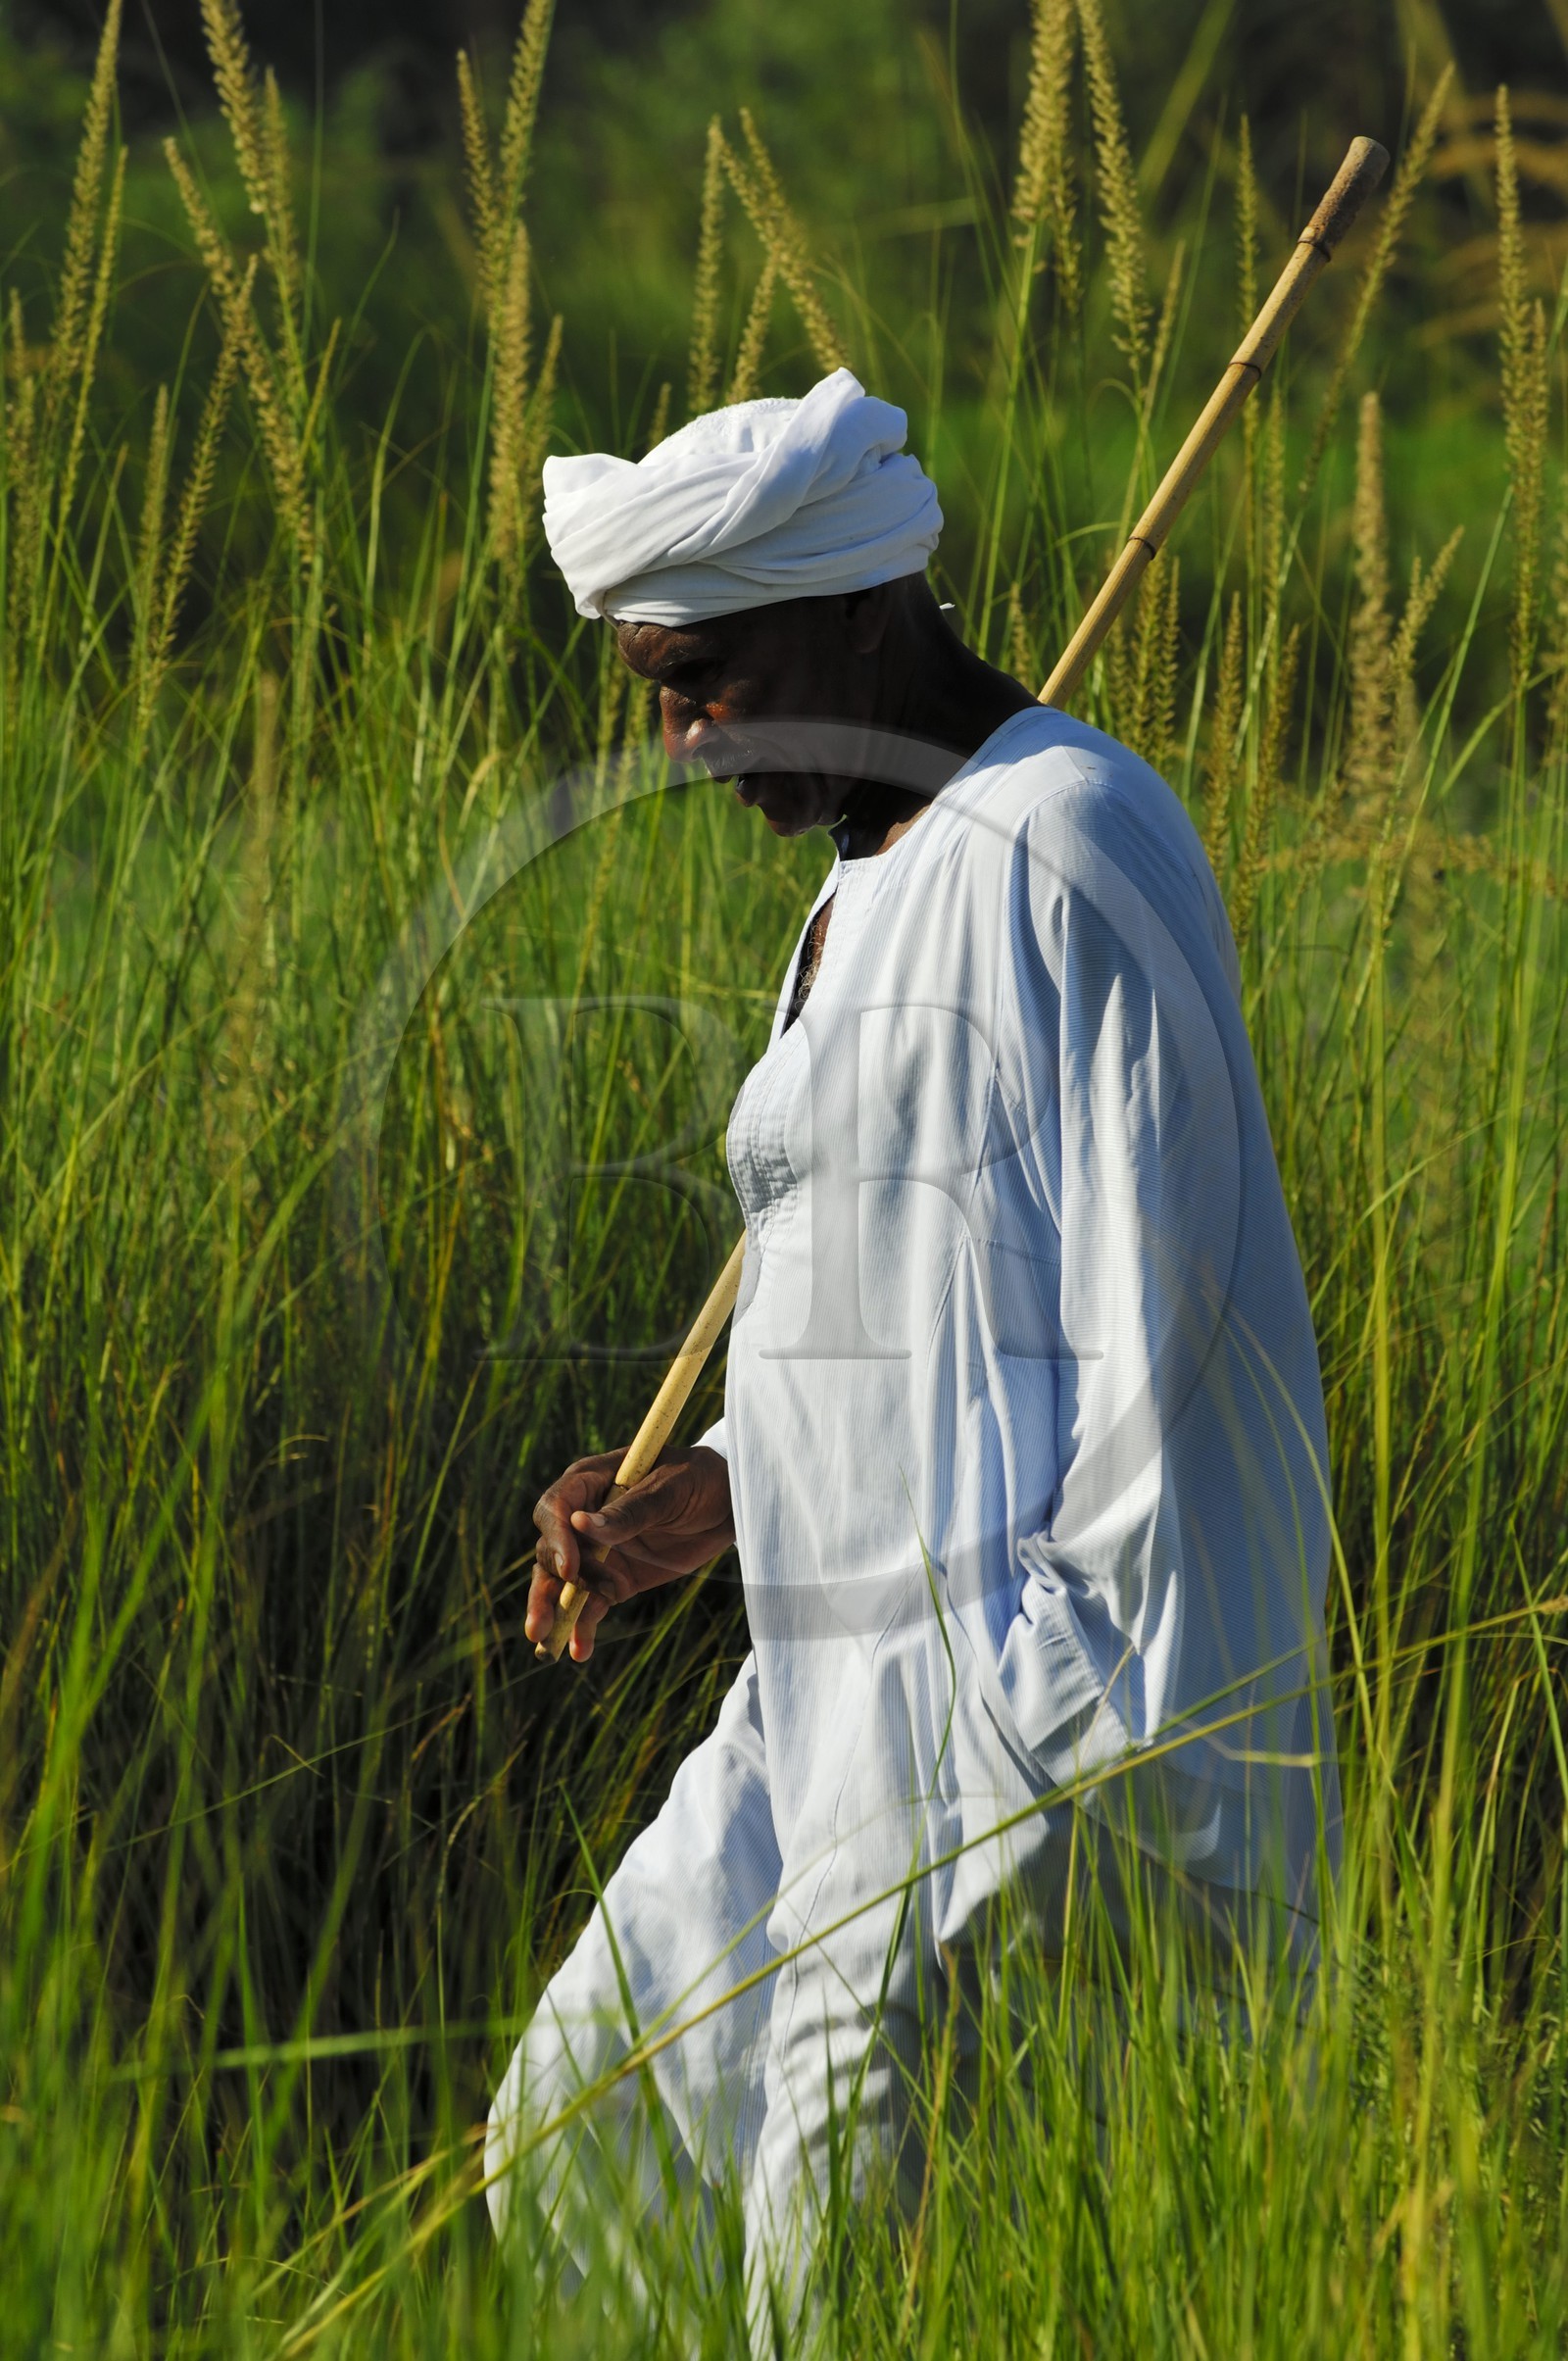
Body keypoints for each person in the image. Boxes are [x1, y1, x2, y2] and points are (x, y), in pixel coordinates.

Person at [485, 368, 1339, 2312]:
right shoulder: (852, 883)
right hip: (821, 1680)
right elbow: (891, 1331)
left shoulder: (1071, 842)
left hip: (1028, 1718)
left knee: (833, 2269)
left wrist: (1069, 1763)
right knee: (582, 2132)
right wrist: (706, 1497)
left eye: (710, 680)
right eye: (657, 701)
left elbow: (1164, 1331)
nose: (691, 745)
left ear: (865, 607)